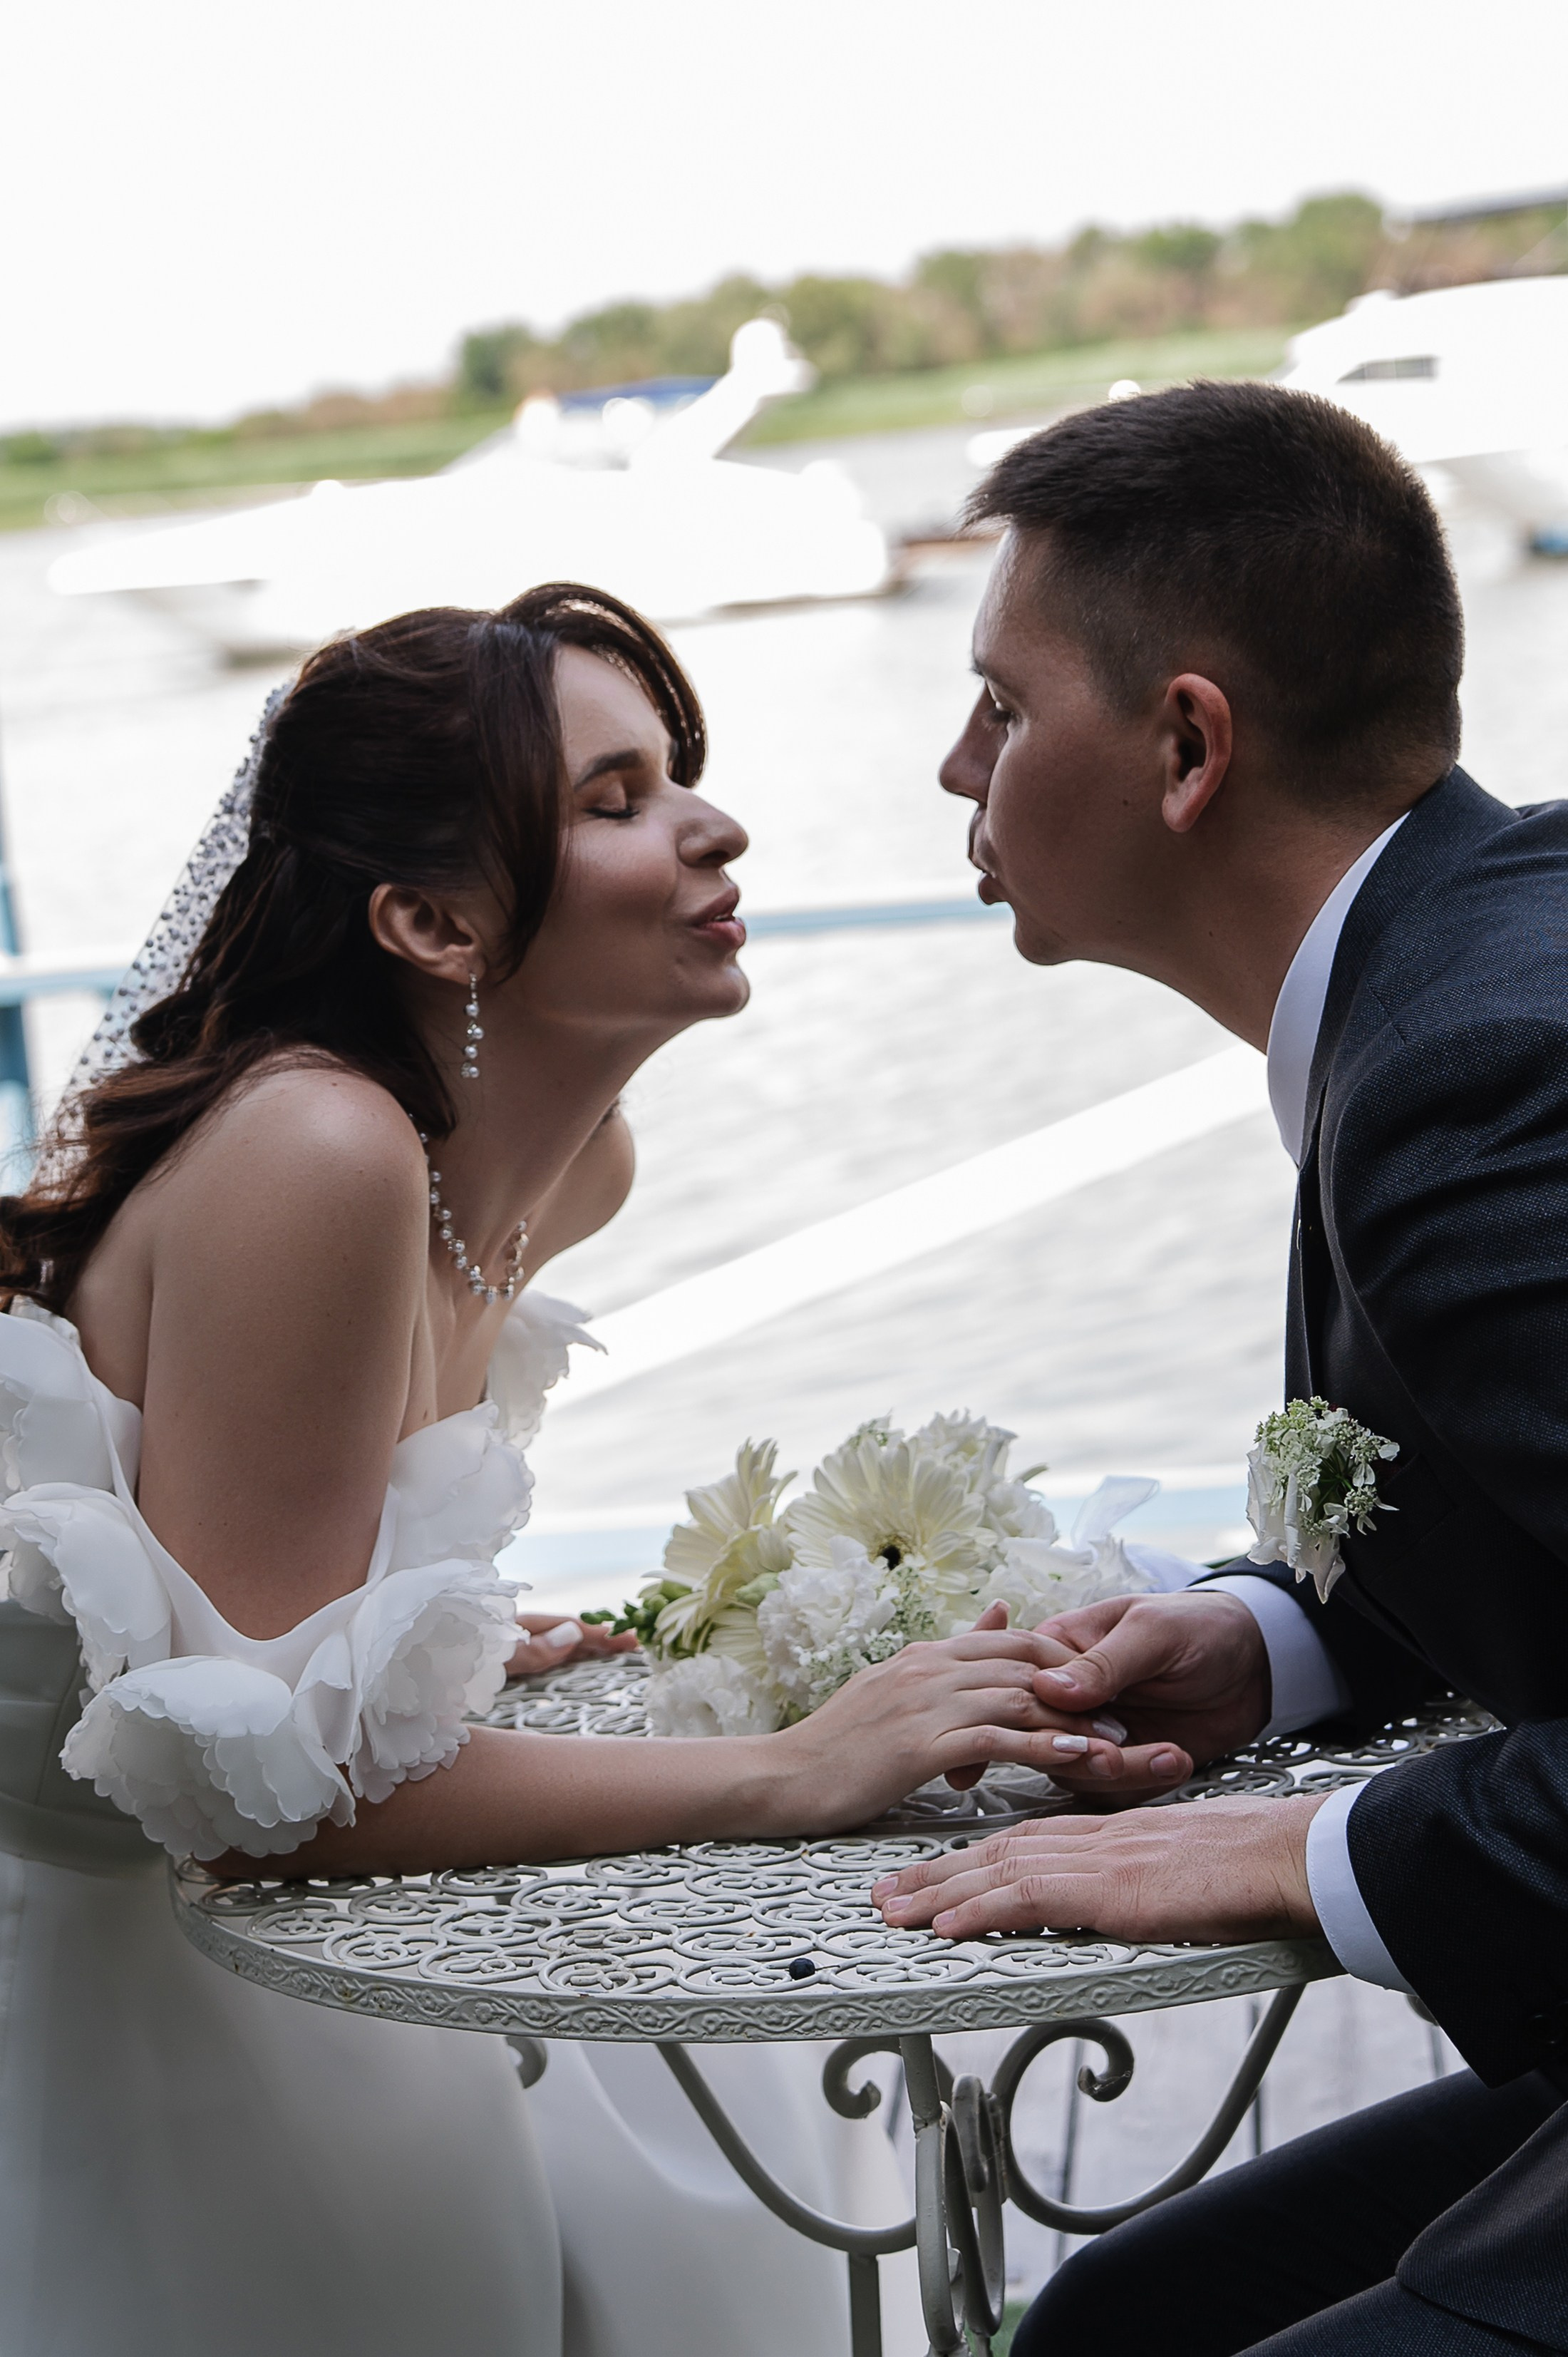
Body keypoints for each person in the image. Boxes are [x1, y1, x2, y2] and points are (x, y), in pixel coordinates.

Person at [0, 583, 1090, 2357]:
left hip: (349, 1995)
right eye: (615, 797)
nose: (712, 823)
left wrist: (441, 1645)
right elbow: (284, 1797)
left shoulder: (575, 1171)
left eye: (678, 778)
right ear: (430, 921)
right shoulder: (317, 1149)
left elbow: (278, 1612)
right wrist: (793, 1768)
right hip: (135, 2035)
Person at [874, 381, 1568, 2354]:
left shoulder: (1470, 1078)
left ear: (1187, 745)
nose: (953, 766)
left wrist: (1298, 1837)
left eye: (1002, 707)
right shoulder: (1477, 951)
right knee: (1122, 2315)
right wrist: (1289, 1646)